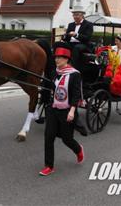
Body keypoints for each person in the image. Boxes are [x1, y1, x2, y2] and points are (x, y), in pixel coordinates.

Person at [40, 43, 84, 177]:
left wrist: (72, 111)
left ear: (66, 59)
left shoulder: (75, 75)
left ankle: (78, 149)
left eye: (59, 57)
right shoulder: (55, 73)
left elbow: (76, 94)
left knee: (66, 139)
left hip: (66, 110)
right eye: (56, 57)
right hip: (53, 109)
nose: (56, 60)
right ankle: (49, 166)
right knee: (49, 137)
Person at [62, 6, 94, 70]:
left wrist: (76, 35)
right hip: (71, 43)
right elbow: (67, 38)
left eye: (77, 15)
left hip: (83, 44)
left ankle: (72, 67)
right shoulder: (70, 24)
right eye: (74, 15)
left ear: (82, 15)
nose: (75, 17)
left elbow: (87, 38)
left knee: (77, 48)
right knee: (58, 44)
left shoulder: (89, 24)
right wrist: (64, 36)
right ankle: (56, 64)